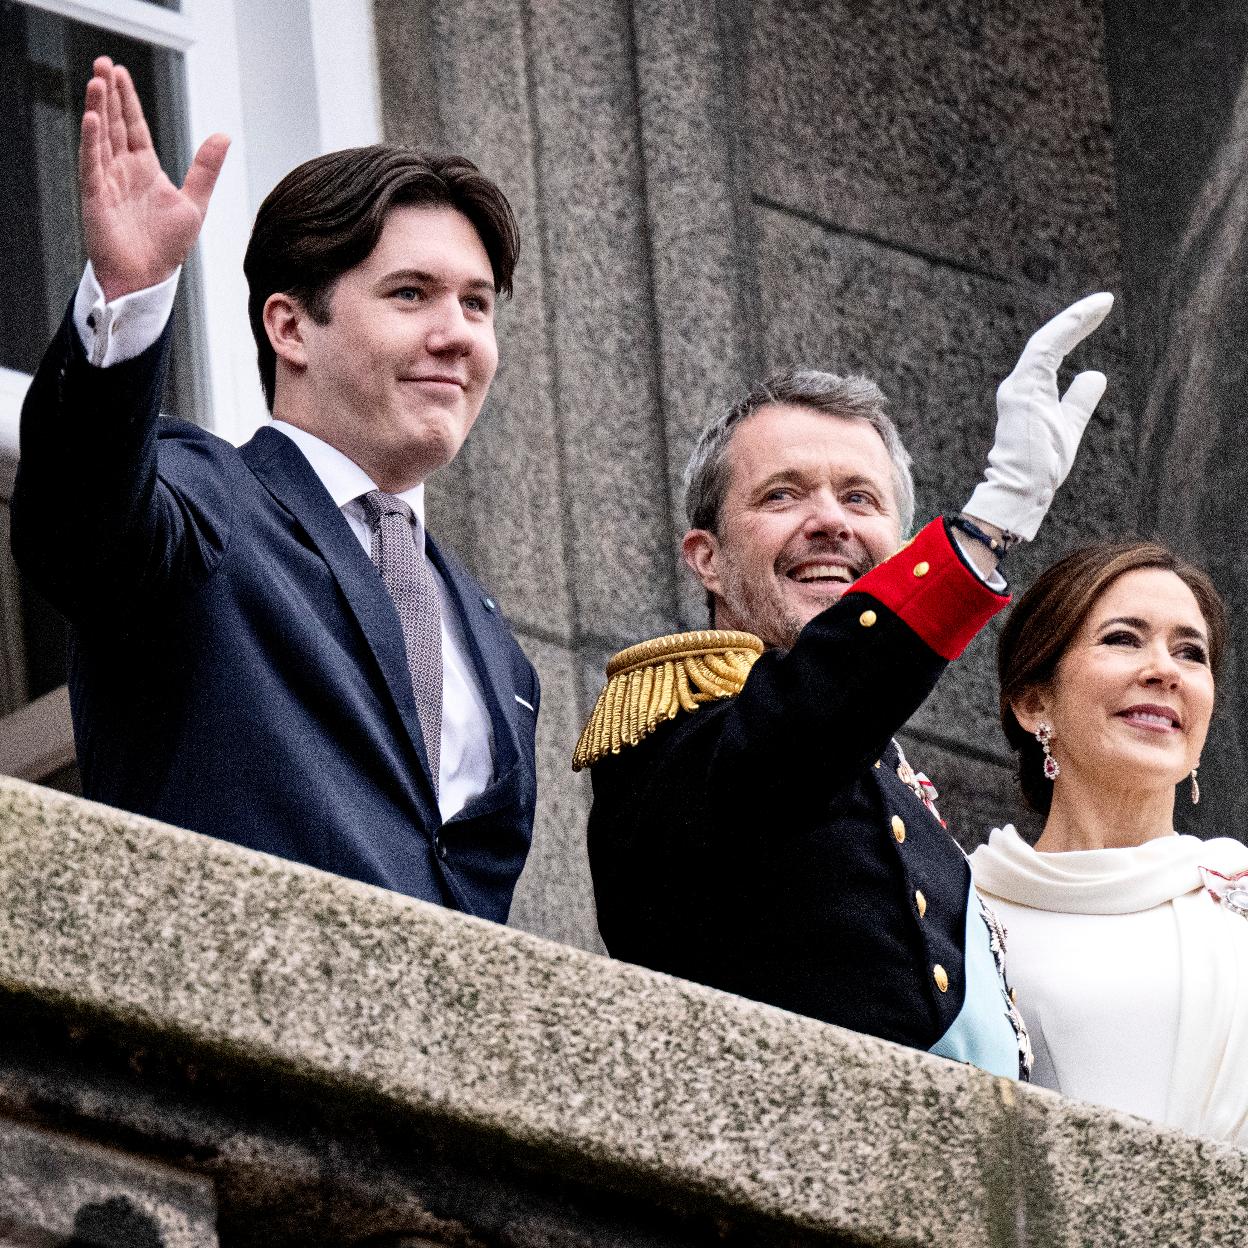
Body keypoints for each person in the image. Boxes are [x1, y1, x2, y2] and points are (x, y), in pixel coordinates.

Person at [11, 58, 539, 921]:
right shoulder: (204, 502)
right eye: (412, 294)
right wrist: (129, 297)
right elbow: (79, 525)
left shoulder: (495, 645)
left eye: (478, 305)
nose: (457, 336)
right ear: (290, 326)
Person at [579, 293, 1115, 1079]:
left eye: (859, 498)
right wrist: (985, 528)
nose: (830, 522)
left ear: (897, 548)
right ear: (707, 557)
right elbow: (796, 735)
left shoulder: (884, 768)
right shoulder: (676, 727)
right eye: (782, 494)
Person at [970, 542, 1248, 1142]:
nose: (1164, 671)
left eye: (1190, 653)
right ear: (1033, 700)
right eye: (1123, 638)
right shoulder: (960, 912)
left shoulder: (1237, 890)